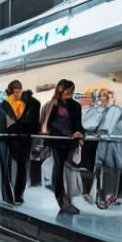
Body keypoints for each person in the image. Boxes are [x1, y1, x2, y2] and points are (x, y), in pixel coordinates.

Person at [40, 80, 86, 215]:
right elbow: (49, 126)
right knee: (59, 171)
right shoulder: (51, 105)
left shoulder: (75, 106)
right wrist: (71, 134)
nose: (70, 93)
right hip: (56, 142)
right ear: (61, 89)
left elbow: (78, 124)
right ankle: (62, 202)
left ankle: (66, 201)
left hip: (70, 143)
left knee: (68, 173)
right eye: (68, 90)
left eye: (71, 90)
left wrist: (80, 133)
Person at [83, 88, 122, 209]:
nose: (106, 97)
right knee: (99, 171)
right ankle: (99, 196)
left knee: (113, 171)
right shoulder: (94, 110)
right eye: (103, 95)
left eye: (109, 95)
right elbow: (88, 124)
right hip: (99, 144)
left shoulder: (117, 110)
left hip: (114, 145)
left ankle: (109, 196)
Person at [0, 80, 34, 205]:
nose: (18, 94)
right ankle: (8, 196)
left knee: (16, 167)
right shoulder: (3, 106)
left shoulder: (23, 105)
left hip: (15, 139)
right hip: (4, 138)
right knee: (6, 166)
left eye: (19, 91)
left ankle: (15, 195)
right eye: (16, 91)